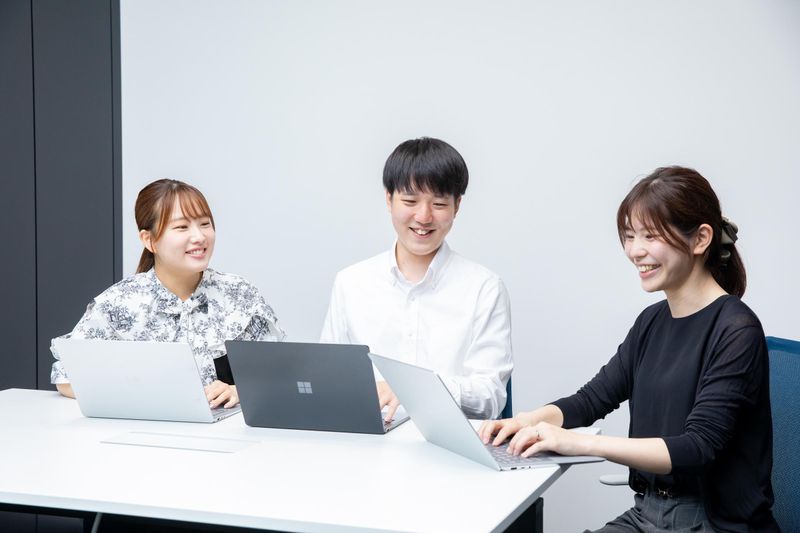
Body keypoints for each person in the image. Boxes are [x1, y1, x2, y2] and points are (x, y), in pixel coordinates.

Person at [479, 166, 778, 532]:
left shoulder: (736, 330)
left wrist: (580, 444)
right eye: (629, 235)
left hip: (713, 525)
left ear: (701, 239)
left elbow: (697, 447)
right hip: (646, 515)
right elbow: (592, 400)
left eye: (650, 235)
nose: (635, 250)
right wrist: (527, 420)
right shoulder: (651, 321)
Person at [320, 137, 513, 420]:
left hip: (451, 442)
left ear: (457, 205)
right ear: (389, 199)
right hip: (368, 439)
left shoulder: (484, 288)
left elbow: (490, 397)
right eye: (410, 201)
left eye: (439, 203)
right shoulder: (351, 283)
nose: (423, 217)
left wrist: (414, 390)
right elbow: (329, 381)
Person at [51, 179, 284, 408]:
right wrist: (146, 394)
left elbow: (278, 373)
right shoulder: (120, 302)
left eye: (205, 224)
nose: (199, 237)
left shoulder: (239, 293)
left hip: (229, 429)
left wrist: (240, 389)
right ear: (149, 240)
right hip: (145, 429)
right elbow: (65, 377)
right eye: (182, 227)